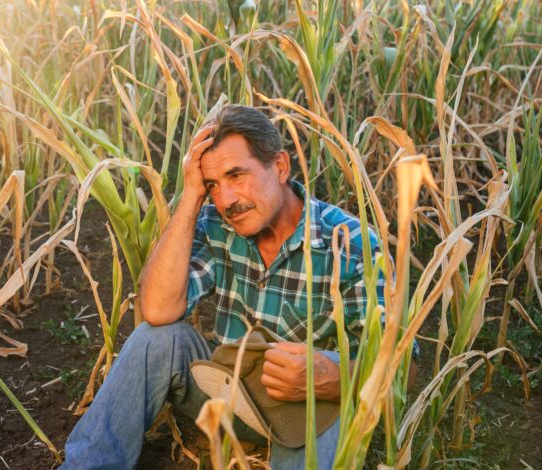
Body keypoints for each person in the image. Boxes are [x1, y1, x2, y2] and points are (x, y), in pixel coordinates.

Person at [60, 105, 399, 469]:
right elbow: (157, 310)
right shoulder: (215, 225)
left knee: (337, 375)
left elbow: (400, 366)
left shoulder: (350, 244)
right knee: (155, 339)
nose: (226, 201)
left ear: (280, 167)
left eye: (236, 175)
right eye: (213, 185)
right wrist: (191, 198)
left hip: (306, 408)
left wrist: (332, 379)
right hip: (225, 392)